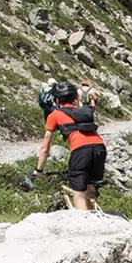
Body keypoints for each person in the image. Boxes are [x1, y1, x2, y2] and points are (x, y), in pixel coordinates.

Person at [33, 81, 105, 211]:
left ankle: (84, 226)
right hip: (100, 149)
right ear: (75, 98)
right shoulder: (85, 111)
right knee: (89, 188)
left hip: (80, 151)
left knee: (79, 194)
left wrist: (39, 170)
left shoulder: (54, 115)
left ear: (56, 99)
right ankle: (95, 211)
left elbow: (45, 148)